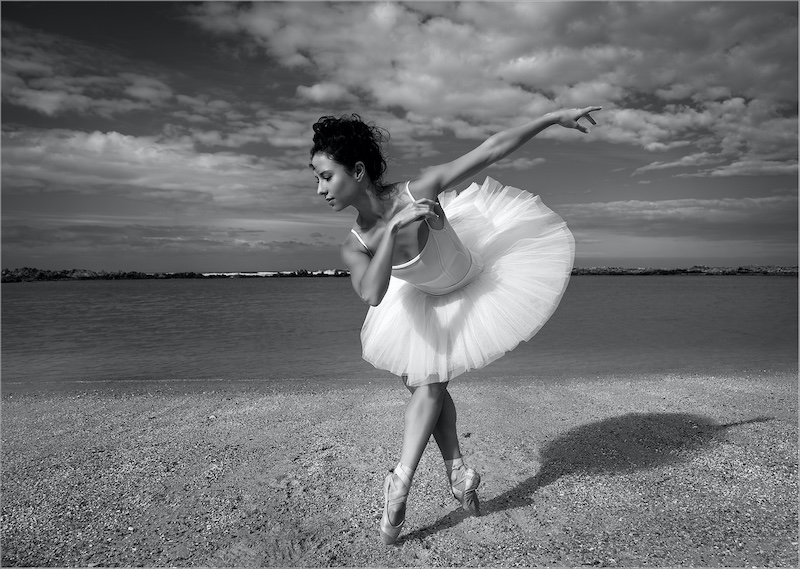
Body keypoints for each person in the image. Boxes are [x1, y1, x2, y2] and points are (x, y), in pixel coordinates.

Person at [309, 107, 600, 545]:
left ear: (358, 170)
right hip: (425, 300)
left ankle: (399, 482)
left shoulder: (420, 189)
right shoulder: (354, 245)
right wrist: (393, 230)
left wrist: (553, 117)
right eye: (317, 180)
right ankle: (459, 472)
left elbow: (491, 149)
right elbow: (372, 294)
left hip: (477, 281)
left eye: (326, 177)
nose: (320, 189)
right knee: (427, 386)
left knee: (428, 387)